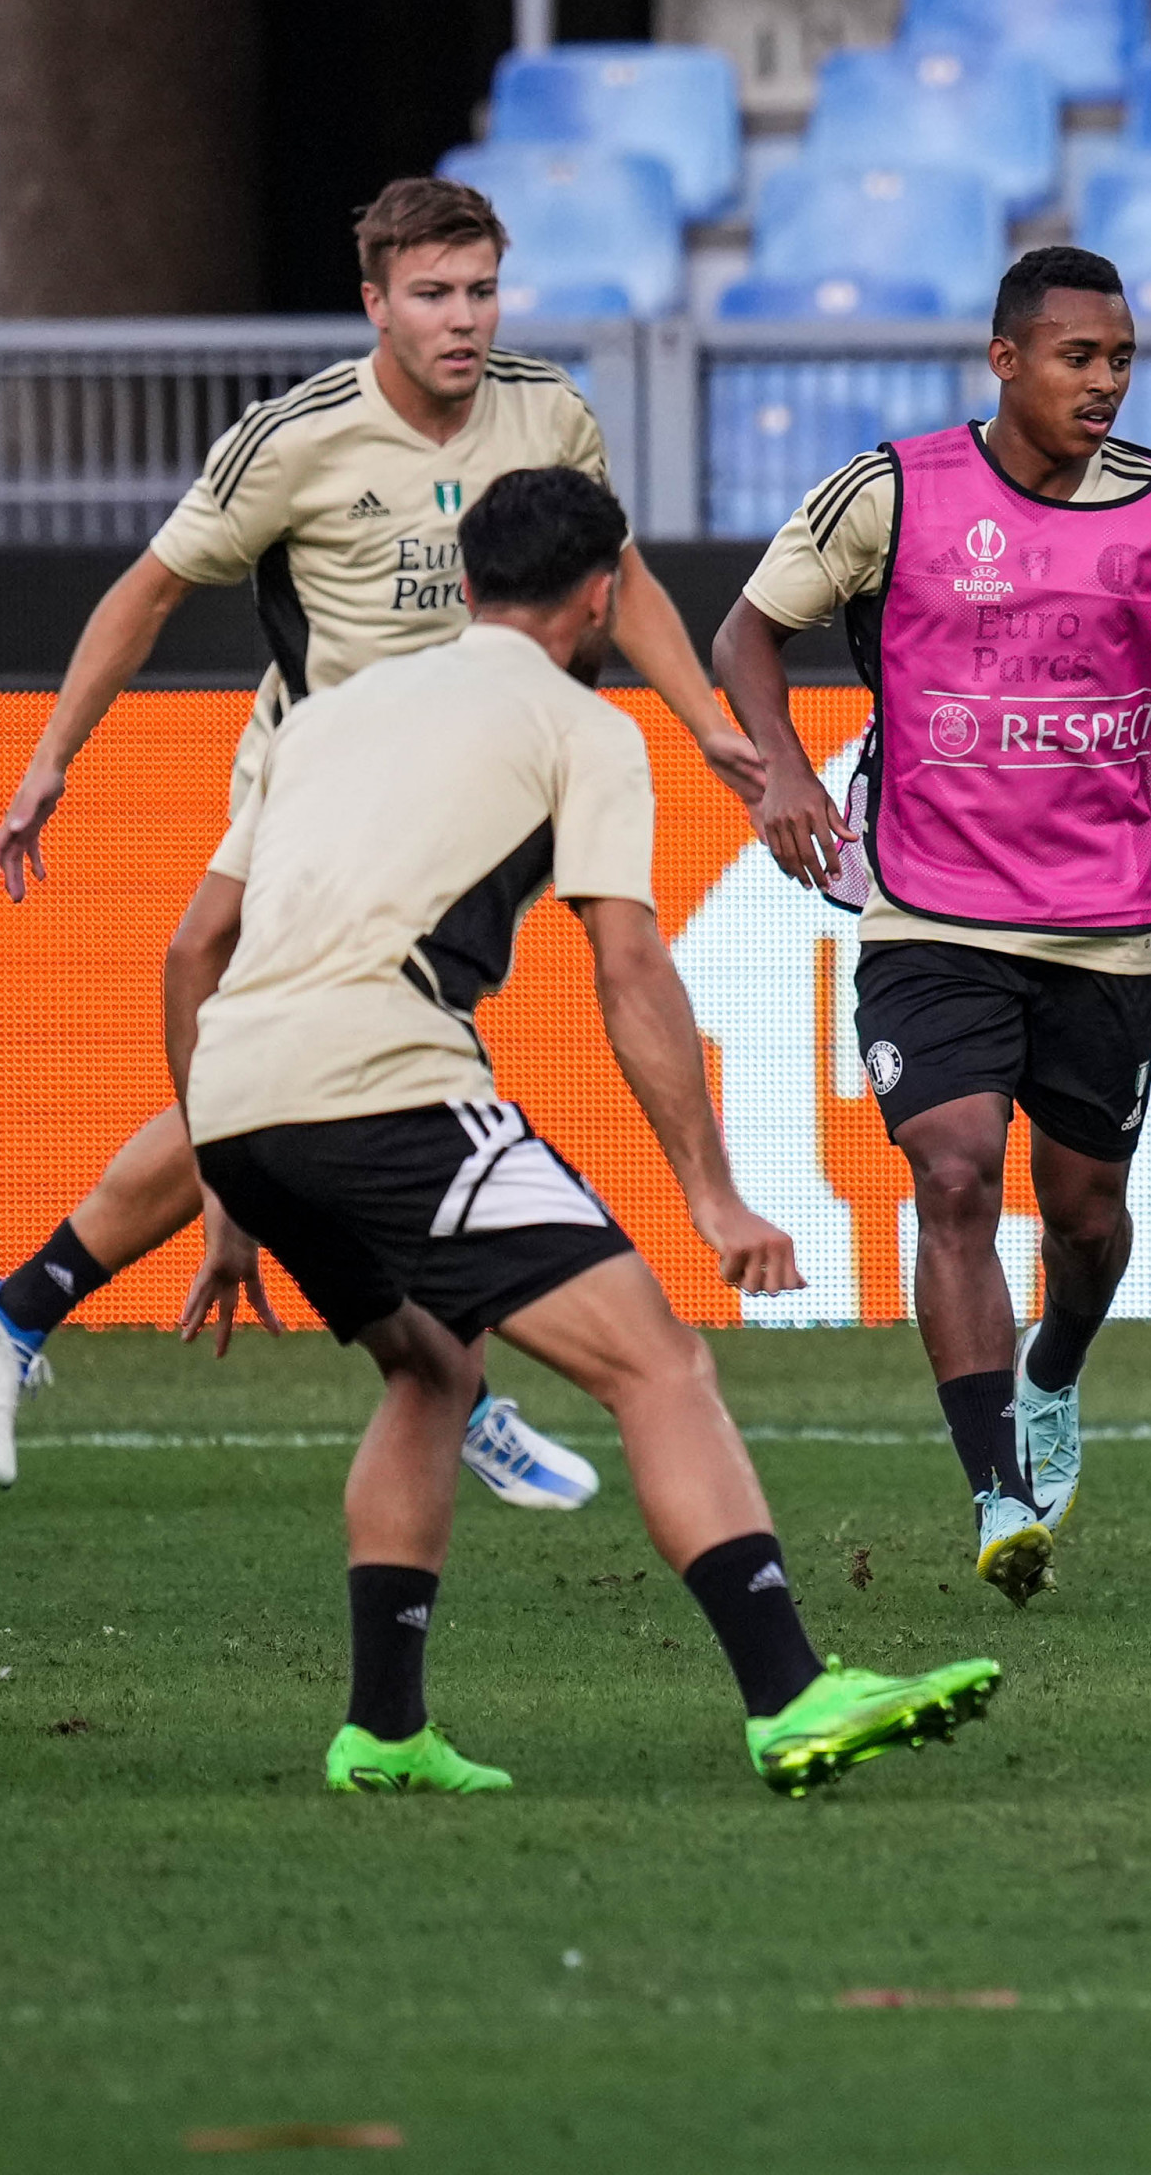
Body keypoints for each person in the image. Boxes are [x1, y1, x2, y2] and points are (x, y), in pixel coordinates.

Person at [0, 176, 770, 1504]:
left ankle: (52, 1305)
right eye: (432, 294)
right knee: (324, 1042)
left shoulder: (547, 409)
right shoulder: (295, 439)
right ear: (374, 301)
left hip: (475, 789)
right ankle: (432, 1374)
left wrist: (707, 724)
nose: (461, 320)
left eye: (481, 290)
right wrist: (49, 763)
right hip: (329, 784)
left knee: (357, 1064)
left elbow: (623, 578)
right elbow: (147, 593)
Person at [172, 468, 996, 1795]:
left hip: (236, 1099)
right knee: (656, 1366)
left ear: (469, 580)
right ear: (604, 589)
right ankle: (790, 1695)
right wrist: (715, 1197)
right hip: (383, 1083)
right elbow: (631, 971)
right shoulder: (582, 728)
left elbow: (193, 945)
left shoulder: (325, 716)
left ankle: (383, 1734)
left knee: (433, 1370)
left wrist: (224, 1179)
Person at [712, 247, 1151, 1606]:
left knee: (1085, 1220)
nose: (1105, 381)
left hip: (1108, 924)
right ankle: (994, 1494)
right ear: (1006, 360)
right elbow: (746, 633)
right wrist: (785, 772)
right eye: (1079, 357)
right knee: (956, 1172)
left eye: (1122, 359)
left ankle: (1055, 1375)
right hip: (927, 905)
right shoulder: (894, 494)